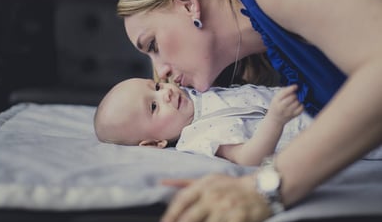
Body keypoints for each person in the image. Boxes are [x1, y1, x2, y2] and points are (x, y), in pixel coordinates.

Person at [116, 0, 382, 222]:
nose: (161, 72)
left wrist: (265, 187)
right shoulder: (279, 53)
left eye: (153, 46)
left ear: (186, 3)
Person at [94, 78, 311, 166]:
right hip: (306, 136)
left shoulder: (194, 89)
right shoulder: (196, 138)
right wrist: (275, 120)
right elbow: (248, 157)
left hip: (308, 100)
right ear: (153, 143)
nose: (166, 94)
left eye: (157, 87)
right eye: (153, 107)